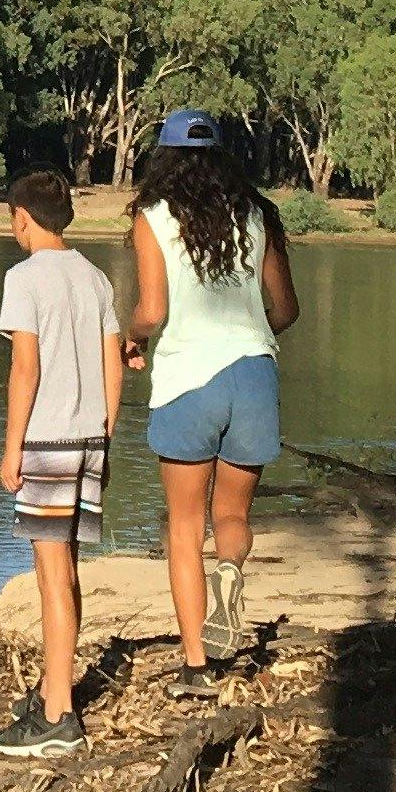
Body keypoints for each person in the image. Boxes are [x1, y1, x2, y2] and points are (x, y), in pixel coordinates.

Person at [127, 107, 296, 681]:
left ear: (164, 158)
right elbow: (286, 310)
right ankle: (229, 574)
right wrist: (250, 339)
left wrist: (131, 339)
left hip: (187, 380)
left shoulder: (151, 217)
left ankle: (198, 663)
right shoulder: (258, 215)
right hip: (253, 373)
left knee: (182, 526)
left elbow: (153, 311)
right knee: (231, 514)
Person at [0, 164, 122, 757]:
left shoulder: (25, 278)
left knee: (49, 579)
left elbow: (25, 368)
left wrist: (12, 446)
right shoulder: (95, 279)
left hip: (46, 441)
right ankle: (55, 685)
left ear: (22, 219)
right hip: (89, 439)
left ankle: (57, 717)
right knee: (65, 569)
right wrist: (106, 436)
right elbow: (113, 362)